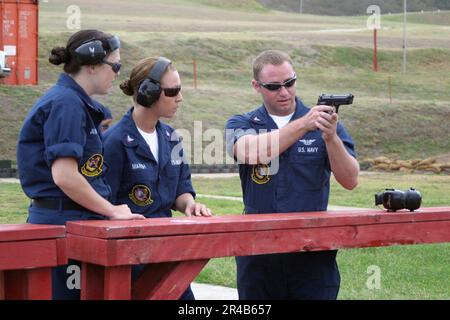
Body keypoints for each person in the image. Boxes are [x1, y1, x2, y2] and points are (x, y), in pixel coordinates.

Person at [16, 29, 145, 300]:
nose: (117, 73)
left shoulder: (72, 101)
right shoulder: (67, 104)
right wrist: (112, 211)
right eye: (115, 65)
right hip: (65, 223)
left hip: (69, 220)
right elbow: (64, 176)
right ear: (92, 65)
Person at [225, 50, 359, 300]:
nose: (284, 92)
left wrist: (331, 139)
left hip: (311, 255)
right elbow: (249, 152)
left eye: (290, 83)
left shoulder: (325, 124)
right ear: (256, 86)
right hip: (259, 255)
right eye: (274, 86)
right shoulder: (242, 123)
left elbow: (350, 179)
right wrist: (303, 125)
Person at [103, 56, 212, 300]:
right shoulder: (114, 142)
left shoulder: (171, 137)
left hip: (167, 253)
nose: (179, 98)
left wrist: (190, 204)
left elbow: (181, 189)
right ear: (148, 93)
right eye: (172, 91)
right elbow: (103, 205)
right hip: (129, 257)